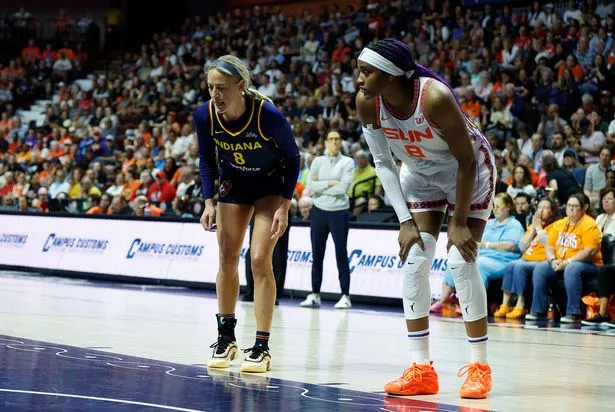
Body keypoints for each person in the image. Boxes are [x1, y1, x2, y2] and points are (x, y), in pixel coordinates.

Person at [356, 38, 496, 399]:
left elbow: (466, 161)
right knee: (415, 259)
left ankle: (479, 368)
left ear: (389, 76)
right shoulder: (367, 102)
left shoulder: (434, 97)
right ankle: (421, 370)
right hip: (419, 175)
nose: (358, 78)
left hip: (469, 173)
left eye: (366, 71)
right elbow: (384, 163)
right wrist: (404, 221)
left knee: (460, 262)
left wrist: (460, 221)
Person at [194, 55, 300, 373]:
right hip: (234, 184)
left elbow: (293, 158)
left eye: (222, 88)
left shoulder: (267, 115)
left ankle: (262, 347)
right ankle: (226, 338)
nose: (216, 95)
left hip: (270, 186)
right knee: (226, 257)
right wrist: (208, 201)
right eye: (211, 87)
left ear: (240, 85)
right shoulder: (205, 115)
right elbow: (206, 158)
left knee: (258, 260)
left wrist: (284, 204)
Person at [301, 129, 355, 309]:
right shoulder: (317, 161)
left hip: (339, 212)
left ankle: (345, 296)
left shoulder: (348, 162)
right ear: (325, 142)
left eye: (337, 139)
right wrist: (330, 183)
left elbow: (343, 189)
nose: (335, 142)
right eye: (331, 139)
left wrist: (321, 186)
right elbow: (310, 185)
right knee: (317, 254)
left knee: (341, 254)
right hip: (319, 211)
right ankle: (315, 293)